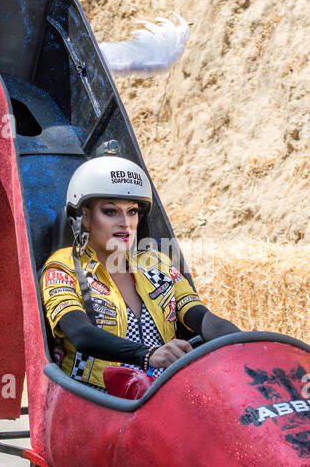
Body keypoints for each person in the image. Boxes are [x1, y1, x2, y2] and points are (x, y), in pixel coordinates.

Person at [40, 155, 240, 392]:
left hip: (162, 395)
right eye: (110, 211)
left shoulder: (156, 265)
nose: (125, 223)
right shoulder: (64, 266)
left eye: (132, 211)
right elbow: (81, 334)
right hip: (96, 400)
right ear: (85, 216)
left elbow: (202, 318)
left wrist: (245, 342)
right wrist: (148, 355)